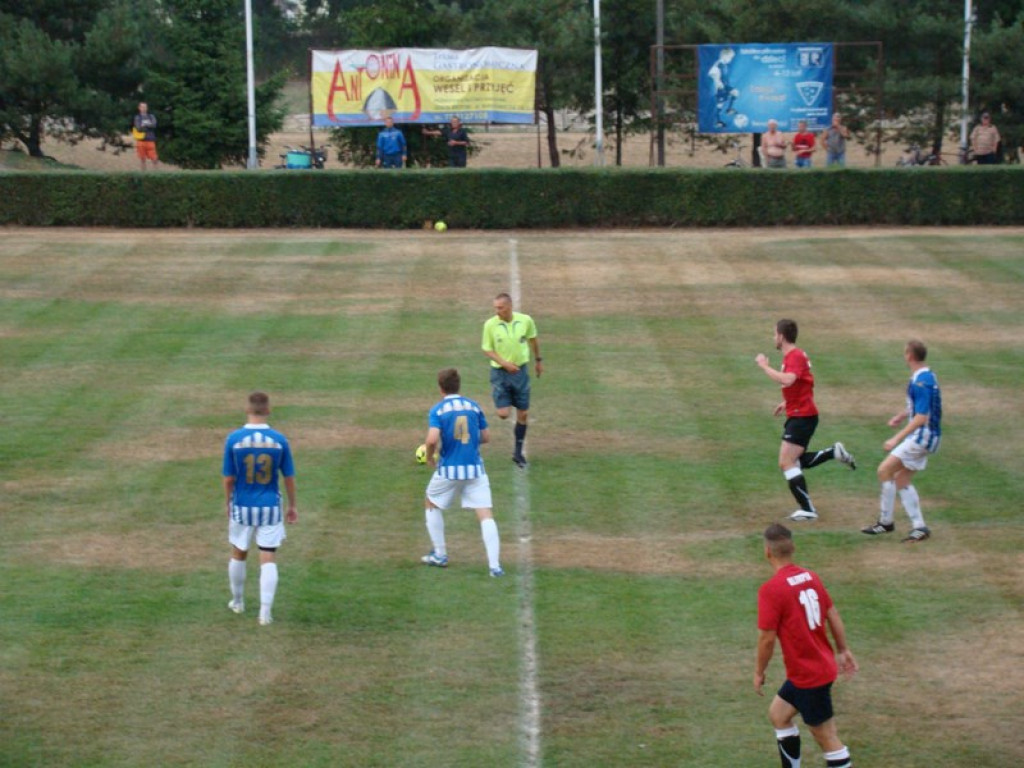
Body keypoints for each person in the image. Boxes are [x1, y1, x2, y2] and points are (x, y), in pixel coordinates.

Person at [755, 523, 858, 768]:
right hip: (814, 669)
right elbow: (832, 613)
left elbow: (767, 639)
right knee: (779, 714)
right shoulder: (811, 577)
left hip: (809, 675)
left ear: (767, 551)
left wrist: (759, 672)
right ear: (792, 548)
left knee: (827, 737)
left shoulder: (771, 590)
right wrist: (843, 650)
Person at [755, 319, 856, 522]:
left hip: (802, 416)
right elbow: (803, 384)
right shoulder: (794, 356)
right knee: (793, 461)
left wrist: (764, 366)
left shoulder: (795, 356)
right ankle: (833, 453)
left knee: (786, 462)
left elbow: (788, 380)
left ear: (781, 336)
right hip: (800, 413)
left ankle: (808, 509)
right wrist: (787, 402)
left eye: (775, 334)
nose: (773, 338)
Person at [222, 391, 297, 626]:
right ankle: (265, 612)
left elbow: (229, 478)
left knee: (238, 552)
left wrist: (227, 502)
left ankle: (238, 601)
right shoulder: (279, 440)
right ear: (268, 410)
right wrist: (292, 505)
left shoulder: (234, 440)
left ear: (247, 409)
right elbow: (288, 477)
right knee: (268, 557)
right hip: (270, 507)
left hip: (242, 505)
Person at [420, 367, 504, 577]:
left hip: (449, 470)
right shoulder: (474, 406)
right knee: (485, 514)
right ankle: (495, 566)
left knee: (431, 502)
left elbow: (431, 440)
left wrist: (430, 457)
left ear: (441, 388)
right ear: (458, 386)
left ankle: (440, 555)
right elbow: (486, 437)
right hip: (475, 469)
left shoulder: (438, 410)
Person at [862, 339, 941, 543]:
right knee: (901, 480)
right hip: (930, 436)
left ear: (910, 356)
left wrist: (896, 438)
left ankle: (886, 522)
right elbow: (920, 407)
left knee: (884, 470)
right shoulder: (928, 375)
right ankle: (919, 527)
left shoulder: (920, 382)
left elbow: (921, 417)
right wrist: (901, 415)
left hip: (922, 436)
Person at [481, 292, 542, 468]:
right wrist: (505, 364)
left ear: (509, 307)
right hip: (500, 372)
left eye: (500, 308)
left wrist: (538, 360)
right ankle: (503, 397)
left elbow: (533, 340)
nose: (497, 311)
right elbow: (487, 349)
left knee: (523, 413)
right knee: (503, 414)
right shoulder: (490, 325)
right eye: (495, 308)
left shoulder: (525, 321)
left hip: (520, 372)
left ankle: (518, 452)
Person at [708, 47, 738, 129]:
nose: (730, 60)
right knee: (720, 105)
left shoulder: (724, 65)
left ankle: (729, 109)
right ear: (724, 56)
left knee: (735, 92)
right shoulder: (718, 64)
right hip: (721, 87)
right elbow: (711, 73)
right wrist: (717, 82)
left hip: (725, 86)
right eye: (730, 57)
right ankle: (718, 121)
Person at [132, 102, 159, 171]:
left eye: (145, 107)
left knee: (154, 158)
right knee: (142, 159)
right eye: (142, 107)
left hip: (150, 140)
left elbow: (154, 125)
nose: (144, 108)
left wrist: (144, 125)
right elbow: (138, 128)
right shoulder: (137, 117)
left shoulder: (151, 116)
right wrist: (148, 126)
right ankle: (143, 174)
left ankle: (156, 173)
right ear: (139, 108)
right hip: (141, 140)